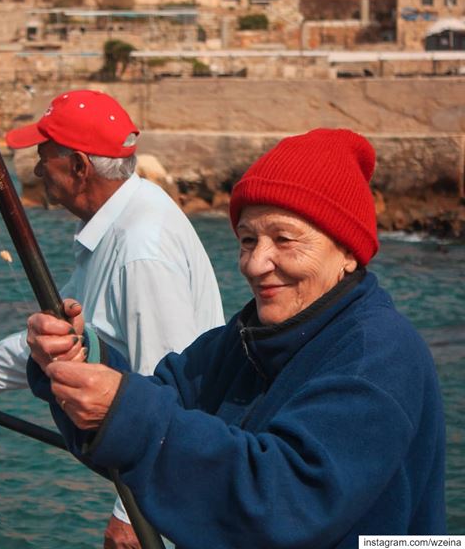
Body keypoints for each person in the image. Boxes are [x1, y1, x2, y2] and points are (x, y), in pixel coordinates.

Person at [26, 128, 446, 548]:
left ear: (349, 251)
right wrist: (79, 361)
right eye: (248, 240)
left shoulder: (379, 353)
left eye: (283, 239)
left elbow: (284, 502)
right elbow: (149, 406)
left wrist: (122, 410)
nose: (256, 263)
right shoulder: (243, 339)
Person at [0, 89, 224, 548]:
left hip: (172, 496)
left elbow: (172, 388)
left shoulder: (140, 251)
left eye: (42, 155)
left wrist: (132, 514)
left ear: (78, 167)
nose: (34, 169)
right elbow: (58, 329)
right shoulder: (122, 218)